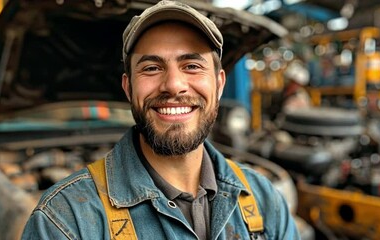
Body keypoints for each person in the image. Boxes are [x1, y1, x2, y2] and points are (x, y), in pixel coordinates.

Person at [21, 1, 299, 239]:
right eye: (152, 67)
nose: (174, 85)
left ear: (219, 84)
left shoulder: (263, 199)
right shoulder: (67, 219)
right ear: (128, 88)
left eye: (192, 66)